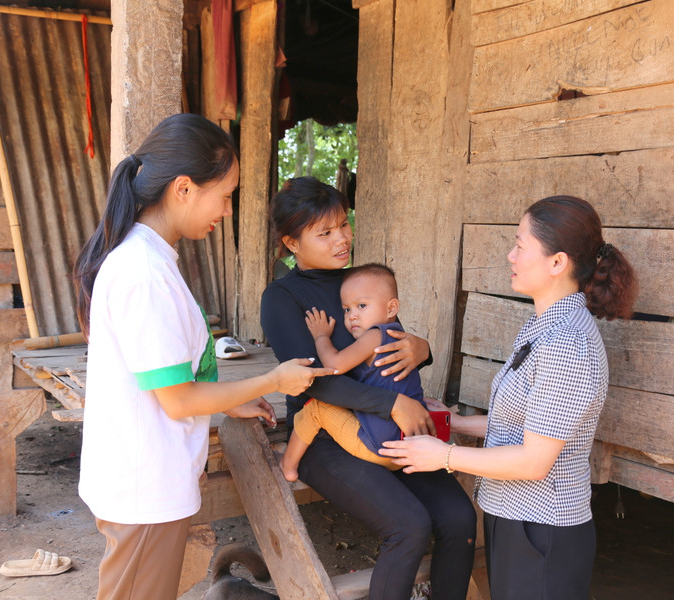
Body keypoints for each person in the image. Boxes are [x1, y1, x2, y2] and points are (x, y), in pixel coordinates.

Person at [73, 114, 333, 600]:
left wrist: (225, 400)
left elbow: (171, 382)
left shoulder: (149, 259)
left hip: (144, 479)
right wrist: (272, 379)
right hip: (143, 487)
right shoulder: (144, 272)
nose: (228, 210)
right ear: (184, 189)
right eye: (226, 194)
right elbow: (177, 399)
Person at [381, 196, 638, 600]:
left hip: (543, 530)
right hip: (516, 517)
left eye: (521, 245)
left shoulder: (567, 343)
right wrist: (452, 421)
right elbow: (527, 423)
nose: (510, 254)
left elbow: (535, 461)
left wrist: (442, 456)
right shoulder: (544, 324)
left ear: (557, 263)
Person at [261, 177, 476, 600]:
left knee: (458, 518)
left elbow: (390, 342)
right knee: (408, 526)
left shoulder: (360, 280)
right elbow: (313, 383)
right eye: (325, 233)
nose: (342, 238)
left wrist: (422, 348)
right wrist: (392, 403)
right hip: (324, 434)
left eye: (344, 224)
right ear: (291, 243)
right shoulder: (282, 298)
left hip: (386, 425)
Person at [279, 263, 428, 482]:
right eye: (347, 309)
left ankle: (287, 465)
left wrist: (321, 336)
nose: (352, 316)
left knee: (316, 409)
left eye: (361, 305)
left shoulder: (376, 336)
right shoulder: (401, 338)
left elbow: (334, 365)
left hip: (379, 449)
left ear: (391, 309)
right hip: (406, 447)